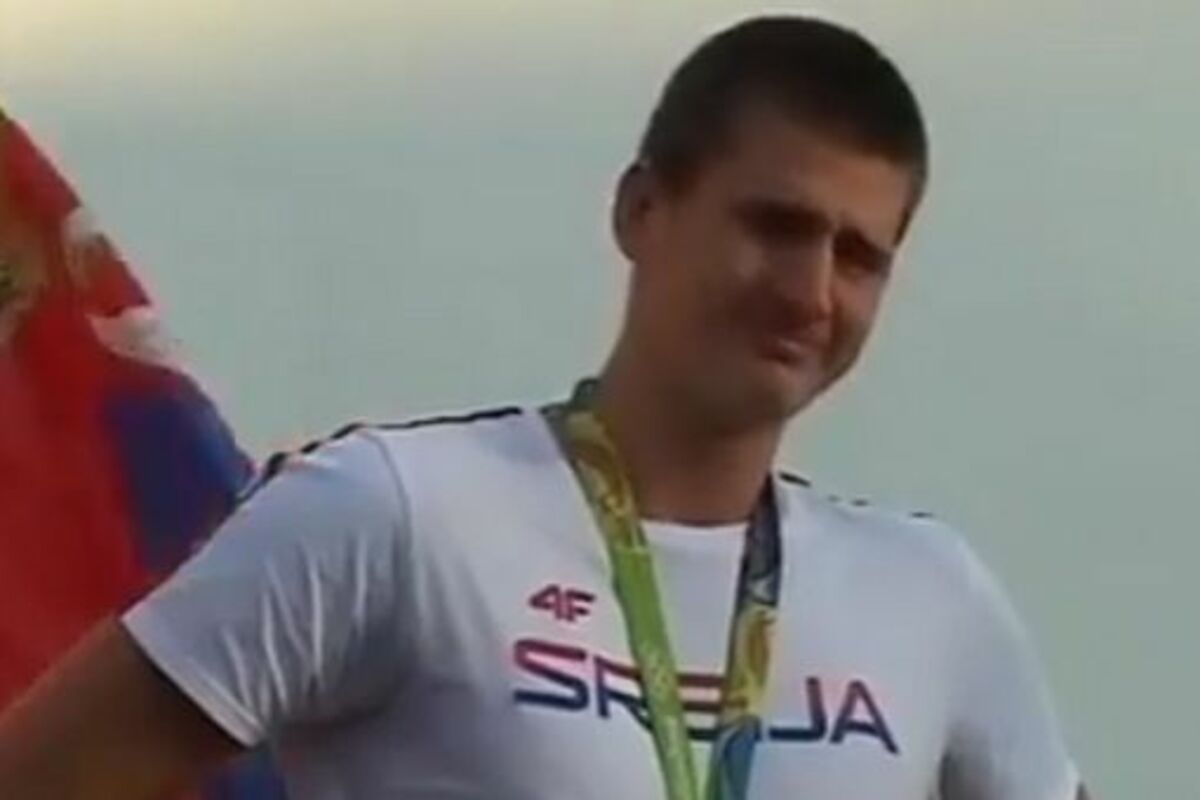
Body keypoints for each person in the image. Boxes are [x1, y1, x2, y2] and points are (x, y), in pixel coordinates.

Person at [0, 15, 1090, 800]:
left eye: (858, 256)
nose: (810, 291)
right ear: (642, 209)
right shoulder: (393, 513)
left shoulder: (931, 595)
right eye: (776, 226)